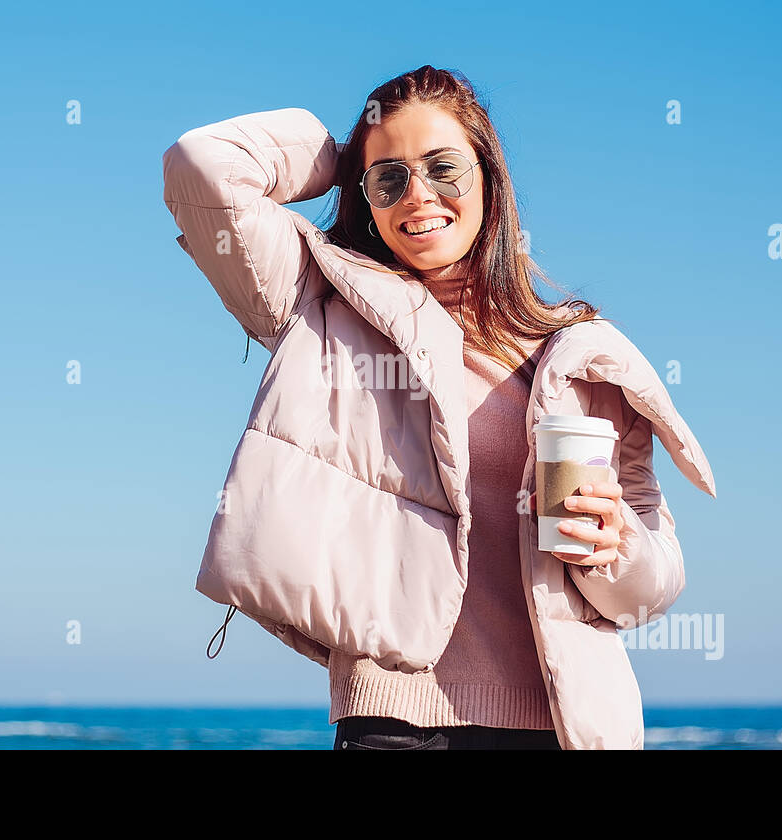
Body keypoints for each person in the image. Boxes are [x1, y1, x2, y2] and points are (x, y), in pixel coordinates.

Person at [162, 65, 716, 750]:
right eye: (389, 179)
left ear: (489, 174)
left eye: (443, 167)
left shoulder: (583, 359)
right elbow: (203, 166)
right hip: (397, 723)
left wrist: (618, 545)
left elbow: (648, 590)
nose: (417, 195)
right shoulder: (320, 301)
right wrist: (344, 158)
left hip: (565, 728)